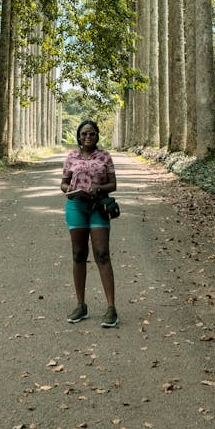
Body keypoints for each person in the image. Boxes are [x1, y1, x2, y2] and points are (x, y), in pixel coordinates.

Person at [60, 119, 118, 327]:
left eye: (92, 134)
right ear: (78, 136)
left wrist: (99, 189)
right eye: (84, 134)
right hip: (76, 206)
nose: (88, 137)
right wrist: (70, 190)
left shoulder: (105, 156)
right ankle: (81, 305)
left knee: (102, 254)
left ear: (97, 136)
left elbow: (113, 184)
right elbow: (63, 183)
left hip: (97, 207)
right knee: (78, 254)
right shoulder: (71, 157)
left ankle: (111, 308)